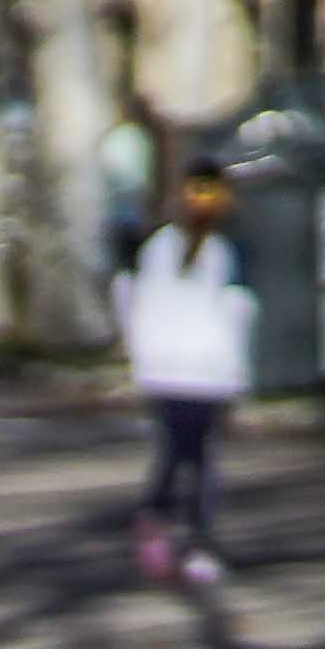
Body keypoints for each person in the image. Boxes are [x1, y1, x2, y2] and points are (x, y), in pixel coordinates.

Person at [119, 161, 253, 587]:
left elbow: (134, 303)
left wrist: (139, 358)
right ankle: (184, 533)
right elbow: (238, 315)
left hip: (172, 369)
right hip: (200, 369)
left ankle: (171, 526)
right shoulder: (222, 251)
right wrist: (239, 374)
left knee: (184, 452)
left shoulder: (162, 246)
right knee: (192, 454)